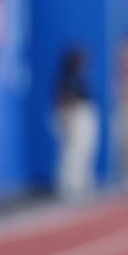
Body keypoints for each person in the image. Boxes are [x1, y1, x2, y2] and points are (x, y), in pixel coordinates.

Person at [55, 46, 100, 203]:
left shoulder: (79, 77)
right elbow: (64, 101)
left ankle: (80, 185)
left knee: (84, 151)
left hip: (82, 114)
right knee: (74, 152)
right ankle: (71, 187)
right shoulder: (68, 77)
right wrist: (67, 118)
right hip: (76, 115)